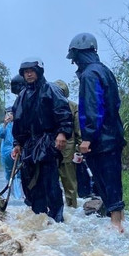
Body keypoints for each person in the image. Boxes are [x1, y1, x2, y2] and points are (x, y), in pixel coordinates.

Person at [67, 32, 126, 232]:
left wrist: (88, 138)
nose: (75, 63)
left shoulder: (90, 75)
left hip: (101, 139)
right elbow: (114, 104)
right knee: (113, 178)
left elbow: (93, 108)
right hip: (113, 134)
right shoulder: (105, 71)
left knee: (106, 180)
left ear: (78, 55)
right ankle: (120, 221)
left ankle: (116, 224)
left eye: (75, 59)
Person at [10, 59, 73, 222]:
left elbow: (63, 112)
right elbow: (18, 121)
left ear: (38, 72)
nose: (28, 74)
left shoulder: (50, 89)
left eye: (31, 71)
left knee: (50, 181)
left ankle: (57, 218)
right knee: (30, 182)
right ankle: (39, 217)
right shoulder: (22, 95)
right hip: (29, 144)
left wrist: (62, 133)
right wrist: (17, 143)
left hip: (48, 140)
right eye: (25, 72)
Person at [53, 79, 81, 208]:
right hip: (50, 150)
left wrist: (79, 150)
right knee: (52, 184)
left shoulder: (73, 106)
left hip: (67, 151)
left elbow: (78, 130)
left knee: (69, 184)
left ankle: (72, 210)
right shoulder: (47, 105)